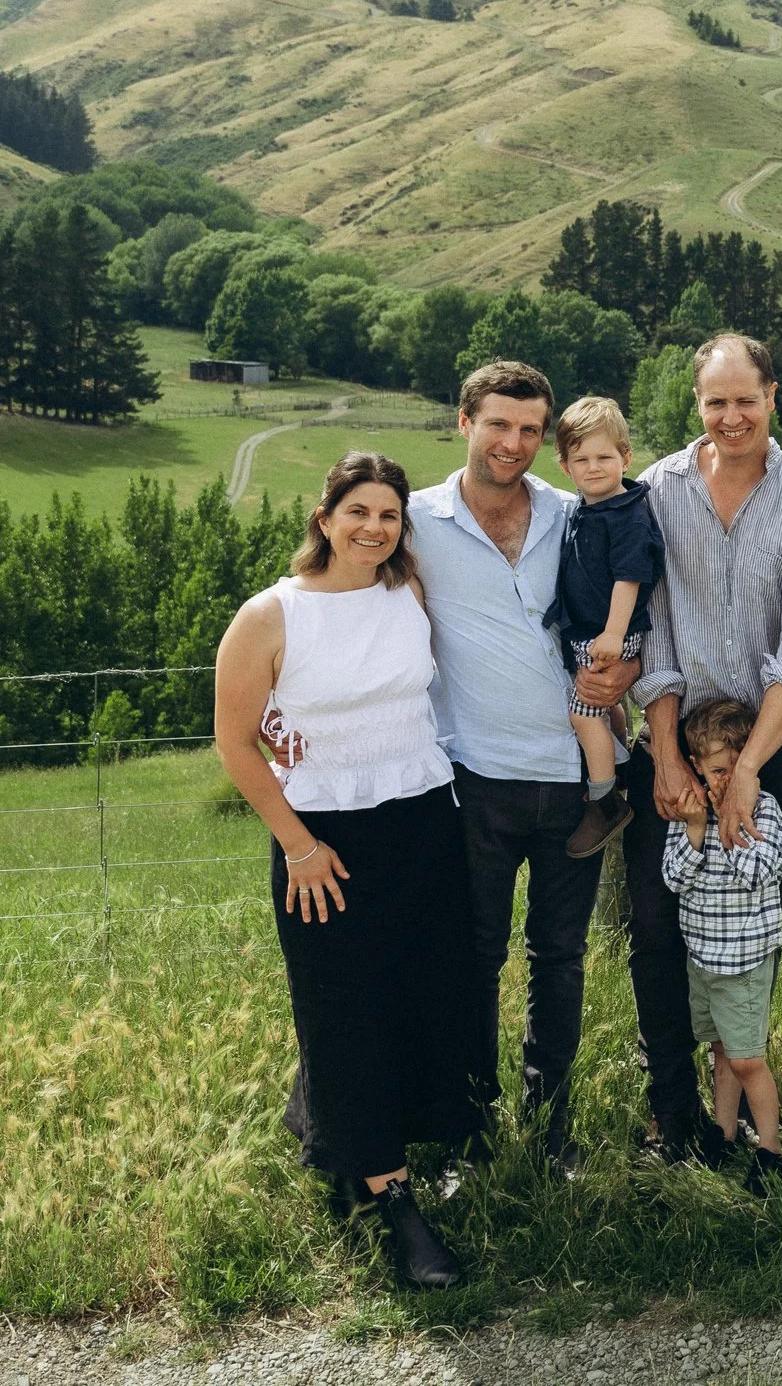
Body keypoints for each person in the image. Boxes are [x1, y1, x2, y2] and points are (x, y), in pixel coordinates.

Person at [213, 452, 473, 1288]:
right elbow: (234, 740)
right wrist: (297, 842)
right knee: (343, 1007)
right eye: (358, 510)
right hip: (323, 839)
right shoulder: (270, 614)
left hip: (424, 819)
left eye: (389, 515)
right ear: (324, 517)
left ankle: (344, 1140)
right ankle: (388, 1197)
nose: (374, 527)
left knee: (417, 996)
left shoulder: (410, 594)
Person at [623, 335, 782, 1160]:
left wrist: (747, 771)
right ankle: (670, 1108)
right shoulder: (657, 490)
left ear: (773, 396)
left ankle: (741, 1090)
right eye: (715, 401)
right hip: (672, 732)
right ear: (697, 405)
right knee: (655, 920)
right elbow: (651, 625)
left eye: (745, 398)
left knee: (755, 911)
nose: (731, 414)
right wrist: (670, 754)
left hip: (776, 742)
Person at [408, 360, 630, 1172]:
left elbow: (632, 620)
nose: (513, 442)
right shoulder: (414, 519)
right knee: (473, 957)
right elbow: (345, 604)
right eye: (498, 424)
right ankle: (469, 1131)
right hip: (472, 777)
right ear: (463, 421)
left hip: (577, 777)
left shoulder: (579, 515)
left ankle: (552, 1129)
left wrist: (627, 673)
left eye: (530, 429)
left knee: (560, 956)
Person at [660, 698, 782, 1190]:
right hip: (703, 958)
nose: (724, 780)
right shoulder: (688, 817)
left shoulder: (765, 811)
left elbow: (759, 873)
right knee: (720, 1051)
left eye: (736, 769)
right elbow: (674, 879)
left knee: (747, 1059)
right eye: (717, 769)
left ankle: (771, 1152)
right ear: (696, 766)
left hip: (743, 961)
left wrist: (729, 822)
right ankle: (723, 1133)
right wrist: (698, 829)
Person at [543, 394, 665, 858]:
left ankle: (604, 801)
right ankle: (617, 766)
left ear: (625, 458)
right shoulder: (583, 507)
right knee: (605, 709)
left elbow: (629, 575)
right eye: (581, 459)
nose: (594, 468)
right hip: (588, 632)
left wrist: (614, 635)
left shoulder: (627, 514)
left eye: (604, 457)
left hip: (610, 634)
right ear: (565, 466)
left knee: (582, 711)